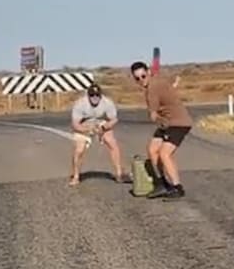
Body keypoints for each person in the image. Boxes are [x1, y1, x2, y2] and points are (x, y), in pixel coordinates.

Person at [130, 60, 192, 199]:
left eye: (143, 76)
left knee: (165, 154)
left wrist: (158, 119)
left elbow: (153, 115)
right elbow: (169, 88)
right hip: (167, 123)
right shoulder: (157, 82)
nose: (141, 80)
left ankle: (177, 187)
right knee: (152, 149)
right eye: (137, 78)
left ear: (149, 73)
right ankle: (162, 183)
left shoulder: (152, 89)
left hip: (178, 123)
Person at [68, 83, 124, 185]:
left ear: (100, 95)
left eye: (97, 95)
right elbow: (75, 124)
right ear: (88, 95)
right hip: (84, 125)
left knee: (112, 142)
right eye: (92, 95)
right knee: (79, 149)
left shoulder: (107, 102)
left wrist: (104, 127)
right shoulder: (80, 104)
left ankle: (119, 174)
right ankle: (76, 176)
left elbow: (114, 120)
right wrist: (87, 130)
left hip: (101, 123)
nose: (95, 98)